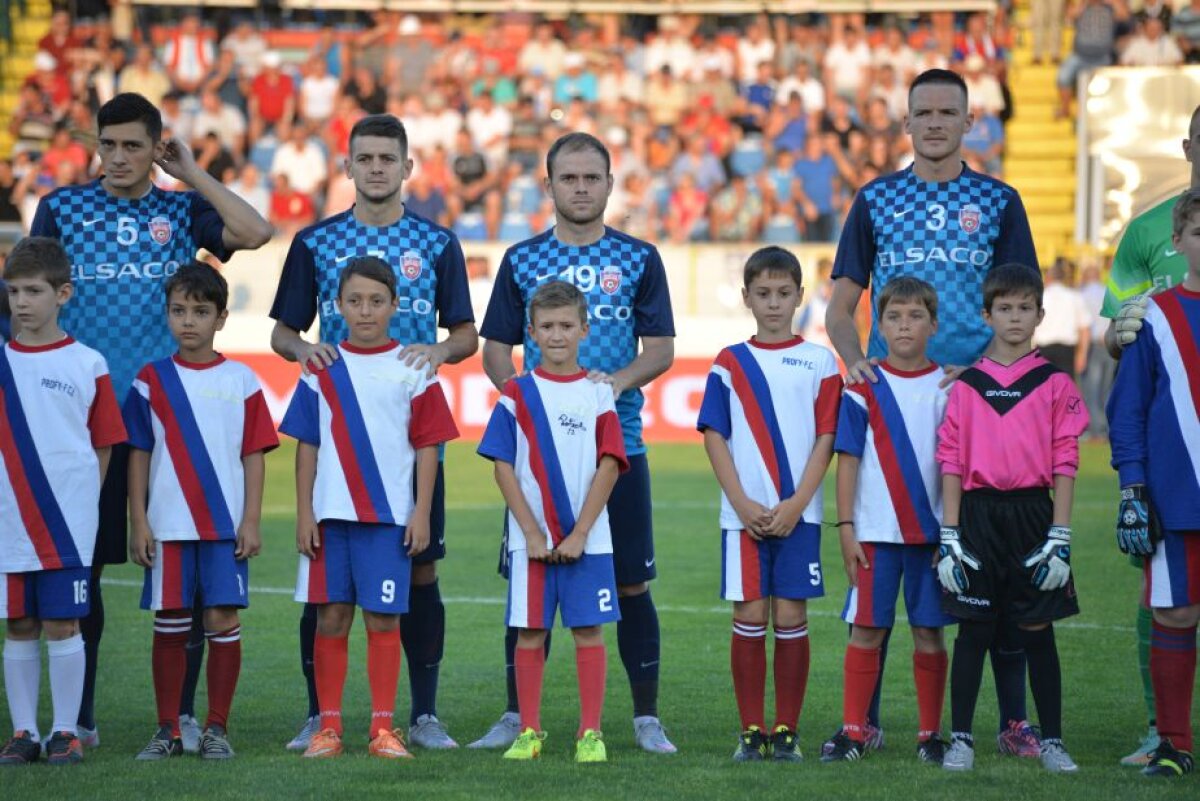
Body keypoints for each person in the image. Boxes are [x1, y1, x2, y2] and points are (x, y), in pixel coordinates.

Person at [29, 92, 272, 749]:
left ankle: (184, 718)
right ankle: (77, 718)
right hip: (79, 418)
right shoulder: (62, 207)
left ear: (156, 146)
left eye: (134, 145)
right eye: (109, 145)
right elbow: (25, 290)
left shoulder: (179, 206)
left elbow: (255, 232)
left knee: (186, 580)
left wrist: (189, 173)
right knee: (82, 570)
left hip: (170, 424)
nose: (118, 157)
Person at [824, 68, 1040, 758]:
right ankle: (866, 724)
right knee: (886, 561)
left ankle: (1003, 722)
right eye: (925, 112)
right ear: (907, 122)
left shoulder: (998, 200)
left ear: (969, 121)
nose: (937, 122)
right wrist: (856, 358)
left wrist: (983, 372)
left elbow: (1019, 303)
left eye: (950, 111)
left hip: (981, 405)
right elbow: (839, 303)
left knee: (980, 573)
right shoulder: (877, 198)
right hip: (895, 398)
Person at [269, 114, 477, 752]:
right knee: (326, 587)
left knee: (420, 576)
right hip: (339, 442)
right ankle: (320, 716)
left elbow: (465, 335)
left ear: (408, 166)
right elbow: (282, 333)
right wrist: (310, 355)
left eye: (389, 157)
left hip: (404, 437)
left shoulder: (438, 244)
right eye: (366, 157)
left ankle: (421, 715)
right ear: (348, 166)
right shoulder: (314, 242)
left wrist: (431, 357)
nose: (377, 167)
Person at [476, 132, 677, 754]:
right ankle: (517, 717)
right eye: (570, 178)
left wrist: (602, 391)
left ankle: (645, 718)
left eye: (593, 178)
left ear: (611, 185)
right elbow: (493, 352)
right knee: (527, 583)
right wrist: (534, 409)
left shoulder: (640, 257)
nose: (581, 188)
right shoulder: (520, 259)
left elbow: (662, 351)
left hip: (620, 452)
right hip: (539, 466)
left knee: (630, 586)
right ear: (550, 185)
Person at [280, 257, 460, 760]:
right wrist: (302, 513)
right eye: (355, 301)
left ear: (394, 306)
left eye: (376, 301)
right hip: (331, 518)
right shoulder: (321, 369)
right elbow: (307, 446)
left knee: (383, 621)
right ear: (337, 306)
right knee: (332, 618)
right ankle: (328, 729)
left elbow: (428, 446)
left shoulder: (413, 368)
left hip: (388, 521)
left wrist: (421, 512)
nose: (365, 311)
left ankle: (383, 730)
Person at [936, 262, 1089, 773]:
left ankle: (1053, 742)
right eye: (1005, 308)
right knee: (973, 629)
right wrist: (950, 535)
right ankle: (960, 739)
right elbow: (952, 461)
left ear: (1041, 315)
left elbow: (1066, 460)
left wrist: (1059, 536)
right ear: (987, 315)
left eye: (1025, 308)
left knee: (1036, 628)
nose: (1015, 317)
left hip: (1033, 515)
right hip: (977, 517)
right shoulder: (968, 384)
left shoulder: (1053, 382)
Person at [122, 262, 278, 761]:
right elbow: (139, 453)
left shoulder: (243, 380)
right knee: (169, 621)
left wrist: (251, 519)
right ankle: (168, 728)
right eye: (178, 310)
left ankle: (216, 728)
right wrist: (139, 520)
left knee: (221, 617)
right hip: (167, 525)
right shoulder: (150, 380)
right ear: (167, 314)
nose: (188, 321)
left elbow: (253, 455)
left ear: (222, 318)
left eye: (200, 311)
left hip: (222, 527)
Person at [696, 247, 840, 762]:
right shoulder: (729, 362)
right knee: (751, 613)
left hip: (800, 515)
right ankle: (750, 730)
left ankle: (786, 730)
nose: (774, 304)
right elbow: (714, 433)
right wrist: (740, 501)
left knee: (792, 615)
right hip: (744, 517)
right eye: (763, 294)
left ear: (800, 297)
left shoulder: (821, 360)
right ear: (746, 298)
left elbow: (827, 436)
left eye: (783, 294)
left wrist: (799, 502)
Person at [477, 281, 627, 763]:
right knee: (530, 633)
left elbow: (609, 464)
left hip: (590, 541)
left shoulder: (599, 394)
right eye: (547, 326)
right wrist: (532, 531)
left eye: (567, 325)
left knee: (588, 631)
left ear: (584, 329)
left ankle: (591, 734)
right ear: (531, 333)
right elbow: (502, 466)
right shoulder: (516, 394)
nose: (557, 334)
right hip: (532, 542)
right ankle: (530, 731)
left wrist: (581, 531)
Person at [0, 237, 126, 765]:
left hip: (67, 521)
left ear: (64, 293)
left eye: (33, 291)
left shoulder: (88, 362)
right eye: (13, 292)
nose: (21, 302)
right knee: (19, 623)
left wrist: (83, 504)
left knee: (63, 622)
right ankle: (25, 732)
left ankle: (66, 731)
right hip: (8, 518)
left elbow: (103, 443)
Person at [1100, 104, 1200, 767]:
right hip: (1176, 494)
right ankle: (1169, 739)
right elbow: (1125, 398)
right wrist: (1134, 485)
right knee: (1173, 614)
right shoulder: (1154, 300)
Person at [823, 277, 952, 764]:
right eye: (894, 316)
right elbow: (848, 460)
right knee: (867, 631)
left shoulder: (947, 388)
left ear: (933, 325)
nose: (904, 325)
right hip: (874, 535)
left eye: (915, 316)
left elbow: (953, 465)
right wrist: (846, 529)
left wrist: (952, 535)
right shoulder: (863, 387)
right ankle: (855, 731)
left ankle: (929, 736)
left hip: (931, 538)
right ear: (878, 325)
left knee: (929, 634)